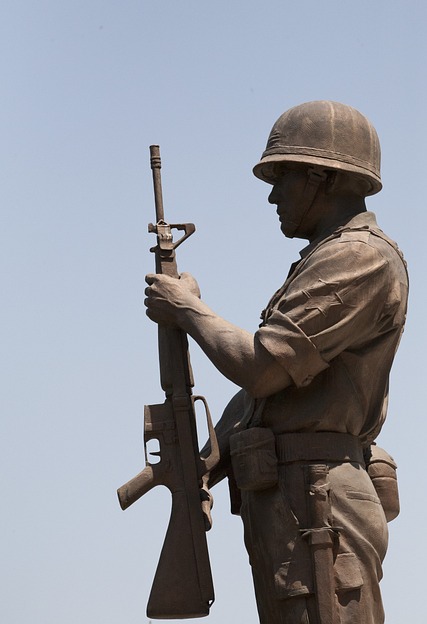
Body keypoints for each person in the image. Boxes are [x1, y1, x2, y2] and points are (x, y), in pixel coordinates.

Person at [144, 101, 408, 624]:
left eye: (282, 177)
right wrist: (201, 468)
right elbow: (267, 393)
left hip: (319, 509)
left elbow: (263, 367)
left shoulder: (359, 257)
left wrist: (188, 311)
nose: (272, 195)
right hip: (296, 505)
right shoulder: (324, 257)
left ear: (321, 177)